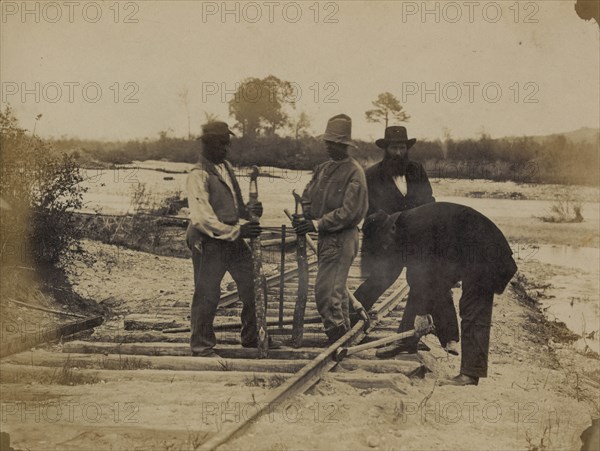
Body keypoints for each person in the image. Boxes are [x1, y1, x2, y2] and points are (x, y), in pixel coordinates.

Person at [364, 202, 518, 386]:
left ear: (391, 229)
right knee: (423, 287)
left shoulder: (414, 226)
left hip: (486, 255)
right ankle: (407, 339)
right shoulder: (404, 225)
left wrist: (422, 314)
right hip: (468, 252)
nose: (386, 247)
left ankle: (469, 374)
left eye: (384, 242)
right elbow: (420, 276)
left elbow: (425, 272)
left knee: (472, 310)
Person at [353, 126, 459, 355]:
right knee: (380, 280)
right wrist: (387, 220)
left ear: (407, 148)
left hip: (417, 238)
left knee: (425, 280)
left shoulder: (417, 170)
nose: (399, 152)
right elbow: (367, 210)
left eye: (402, 147)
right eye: (394, 147)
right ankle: (347, 319)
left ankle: (435, 336)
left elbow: (429, 200)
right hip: (388, 240)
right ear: (386, 149)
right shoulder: (371, 175)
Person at [185, 121, 278, 357]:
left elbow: (235, 209)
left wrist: (250, 211)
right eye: (220, 145)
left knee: (255, 284)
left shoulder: (226, 168)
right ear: (207, 145)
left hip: (232, 239)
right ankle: (202, 346)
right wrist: (239, 231)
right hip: (209, 241)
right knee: (207, 293)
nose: (225, 150)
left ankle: (252, 336)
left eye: (227, 144)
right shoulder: (198, 175)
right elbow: (202, 220)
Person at [293, 114, 369, 343]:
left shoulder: (354, 172)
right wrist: (304, 214)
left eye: (332, 143)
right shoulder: (323, 169)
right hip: (326, 237)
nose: (327, 146)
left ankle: (337, 338)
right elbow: (308, 195)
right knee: (336, 290)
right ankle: (343, 333)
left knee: (326, 292)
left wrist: (316, 223)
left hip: (342, 237)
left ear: (343, 145)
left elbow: (350, 212)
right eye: (327, 142)